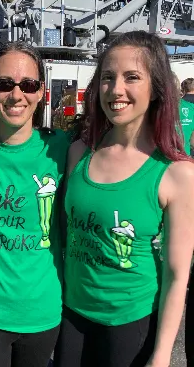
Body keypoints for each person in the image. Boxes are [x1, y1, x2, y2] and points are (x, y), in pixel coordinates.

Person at [54, 30, 194, 367]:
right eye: (107, 77)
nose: (116, 90)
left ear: (156, 87)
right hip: (72, 317)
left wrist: (161, 356)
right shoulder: (78, 153)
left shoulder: (176, 174)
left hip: (131, 328)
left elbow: (177, 277)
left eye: (132, 77)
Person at [0, 41, 70, 367]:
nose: (16, 94)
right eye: (5, 83)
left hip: (44, 311)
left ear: (41, 92)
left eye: (29, 84)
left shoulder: (62, 150)